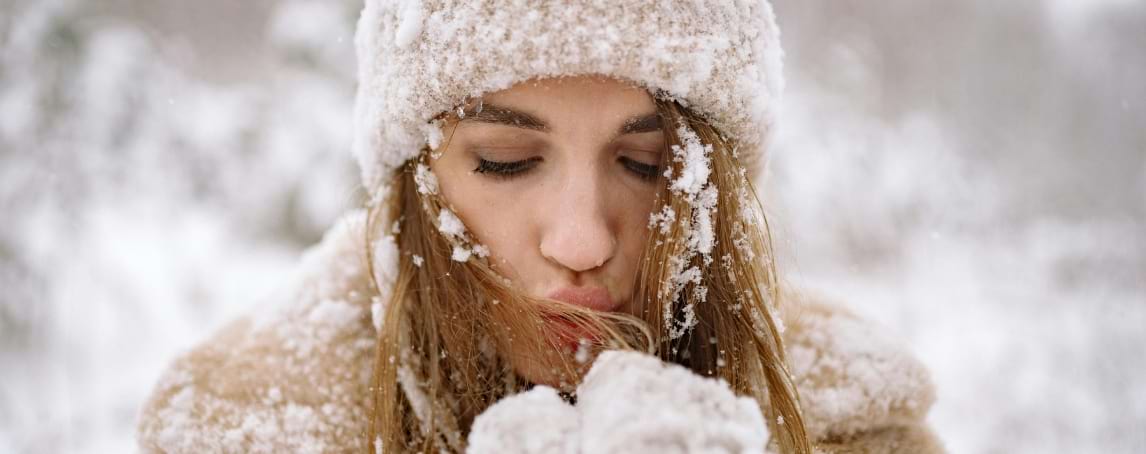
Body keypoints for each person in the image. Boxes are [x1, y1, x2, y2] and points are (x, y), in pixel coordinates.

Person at [137, 1, 944, 453]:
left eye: (647, 165)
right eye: (506, 160)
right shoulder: (240, 431)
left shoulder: (854, 432)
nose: (582, 242)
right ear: (414, 186)